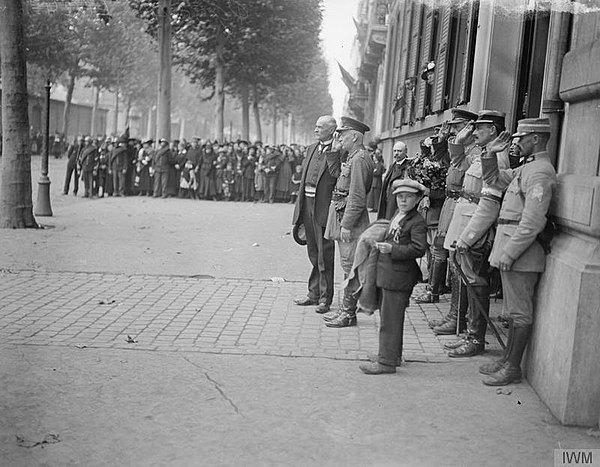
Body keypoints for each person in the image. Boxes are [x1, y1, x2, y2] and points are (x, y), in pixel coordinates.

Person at [476, 118, 556, 386]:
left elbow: (533, 221)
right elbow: (494, 181)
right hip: (512, 248)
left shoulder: (540, 172)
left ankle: (512, 367)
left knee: (520, 313)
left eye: (521, 138)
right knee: (512, 312)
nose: (515, 143)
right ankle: (506, 359)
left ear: (535, 139)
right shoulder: (528, 168)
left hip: (521, 254)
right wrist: (490, 153)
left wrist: (509, 253)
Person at [443, 110, 510, 357]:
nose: (475, 132)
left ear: (492, 130)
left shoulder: (498, 157)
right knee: (469, 280)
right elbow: (460, 167)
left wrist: (469, 236)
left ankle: (475, 339)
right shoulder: (484, 154)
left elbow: (491, 202)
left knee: (477, 282)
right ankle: (469, 333)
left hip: (478, 227)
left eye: (480, 128)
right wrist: (458, 143)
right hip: (468, 220)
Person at [359, 179, 428, 374]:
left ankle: (386, 363)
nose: (403, 201)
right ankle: (392, 355)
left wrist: (392, 249)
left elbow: (419, 249)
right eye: (400, 197)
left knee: (390, 322)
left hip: (398, 278)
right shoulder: (399, 215)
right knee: (391, 318)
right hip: (389, 275)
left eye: (408, 197)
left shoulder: (417, 222)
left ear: (416, 200)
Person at [417, 108, 479, 314]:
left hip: (462, 204)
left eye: (458, 127)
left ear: (471, 129)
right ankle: (434, 290)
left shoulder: (474, 152)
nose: (455, 132)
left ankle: (454, 308)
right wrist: (442, 139)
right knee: (439, 246)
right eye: (453, 128)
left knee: (453, 254)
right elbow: (440, 160)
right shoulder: (460, 149)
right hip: (450, 203)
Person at [322, 116, 375, 327]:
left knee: (350, 266)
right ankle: (346, 309)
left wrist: (347, 224)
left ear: (354, 136)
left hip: (349, 218)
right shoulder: (353, 157)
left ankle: (348, 313)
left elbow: (357, 197)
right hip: (341, 214)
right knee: (347, 264)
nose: (340, 137)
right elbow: (336, 174)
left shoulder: (360, 159)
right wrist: (334, 150)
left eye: (343, 135)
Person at [292, 116, 339, 314]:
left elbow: (337, 177)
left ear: (331, 130)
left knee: (324, 254)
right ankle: (313, 293)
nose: (316, 129)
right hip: (307, 204)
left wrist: (335, 154)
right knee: (313, 252)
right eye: (316, 126)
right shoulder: (311, 148)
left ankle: (325, 298)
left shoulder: (338, 150)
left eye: (320, 127)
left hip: (324, 208)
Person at [378, 140, 413, 219]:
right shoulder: (392, 166)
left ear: (406, 152)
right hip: (388, 201)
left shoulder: (409, 167)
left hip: (398, 203)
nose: (396, 153)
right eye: (395, 151)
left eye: (399, 151)